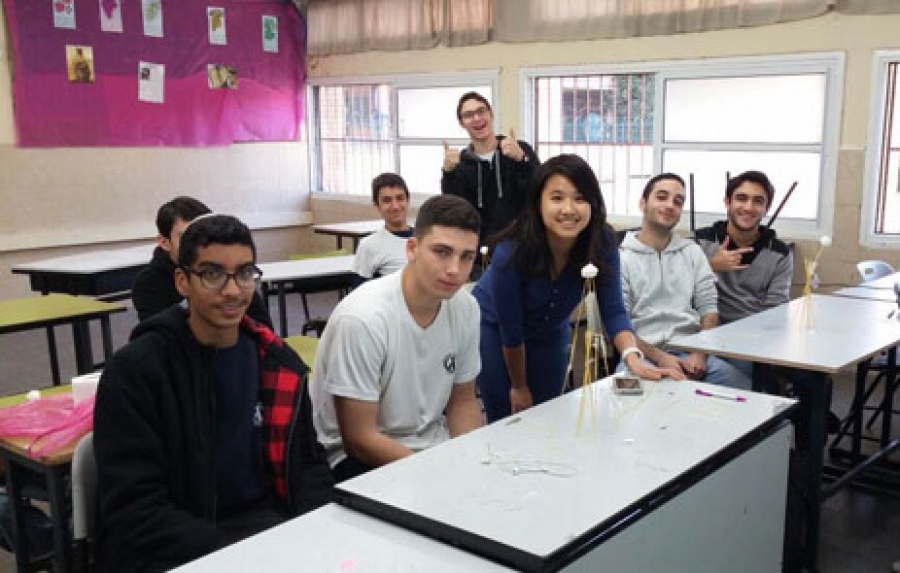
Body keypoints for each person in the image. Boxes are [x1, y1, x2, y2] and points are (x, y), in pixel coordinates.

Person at [94, 215, 333, 572]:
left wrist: (316, 529)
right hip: (178, 547)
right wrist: (235, 557)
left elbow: (309, 465)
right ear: (182, 281)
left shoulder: (276, 363)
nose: (233, 290)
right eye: (212, 274)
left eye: (245, 273)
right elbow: (134, 506)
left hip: (269, 531)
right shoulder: (137, 372)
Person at [473, 154, 671, 423]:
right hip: (496, 332)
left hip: (550, 332)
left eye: (580, 198)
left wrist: (632, 357)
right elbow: (511, 330)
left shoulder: (602, 241)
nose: (568, 209)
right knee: (506, 418)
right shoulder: (511, 252)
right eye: (557, 198)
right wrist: (519, 386)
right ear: (538, 203)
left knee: (550, 415)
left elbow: (613, 310)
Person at [311, 194, 483, 482]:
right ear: (412, 249)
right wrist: (437, 474)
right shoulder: (363, 318)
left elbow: (462, 403)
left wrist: (471, 462)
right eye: (442, 252)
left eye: (466, 257)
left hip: (430, 446)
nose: (455, 269)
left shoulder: (466, 308)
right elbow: (359, 438)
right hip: (357, 460)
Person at [619, 173, 752, 389]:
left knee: (742, 389)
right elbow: (619, 323)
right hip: (640, 355)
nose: (670, 205)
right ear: (643, 203)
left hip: (691, 353)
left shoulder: (692, 252)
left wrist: (699, 353)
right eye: (661, 197)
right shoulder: (621, 258)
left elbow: (709, 310)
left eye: (678, 201)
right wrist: (661, 358)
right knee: (629, 394)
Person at [132, 196, 272, 328]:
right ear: (164, 242)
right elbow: (159, 336)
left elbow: (263, 328)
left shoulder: (232, 270)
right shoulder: (148, 283)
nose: (197, 244)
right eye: (185, 237)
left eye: (204, 236)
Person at [441, 92, 540, 269]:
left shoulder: (519, 149)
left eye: (481, 111)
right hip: (481, 257)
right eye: (468, 115)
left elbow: (539, 191)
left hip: (523, 249)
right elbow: (455, 212)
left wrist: (522, 160)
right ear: (462, 123)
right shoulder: (461, 164)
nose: (476, 118)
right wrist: (448, 173)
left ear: (491, 114)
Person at [694, 170, 793, 327]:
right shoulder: (699, 241)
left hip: (755, 333)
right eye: (741, 198)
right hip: (705, 330)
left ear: (766, 208)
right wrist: (710, 266)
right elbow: (674, 290)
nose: (748, 207)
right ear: (727, 202)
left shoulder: (780, 254)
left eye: (758, 201)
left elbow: (776, 311)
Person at [352, 173, 414, 286]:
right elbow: (359, 291)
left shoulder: (425, 238)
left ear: (408, 200)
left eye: (400, 198)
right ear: (377, 205)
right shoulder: (369, 245)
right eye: (387, 200)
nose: (395, 206)